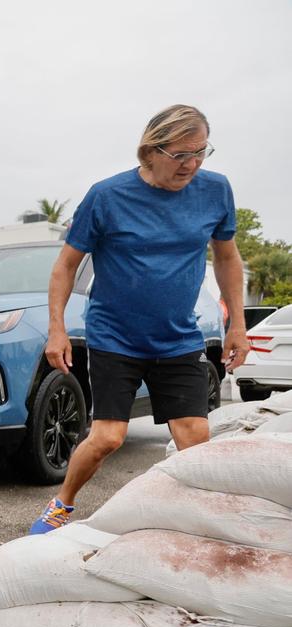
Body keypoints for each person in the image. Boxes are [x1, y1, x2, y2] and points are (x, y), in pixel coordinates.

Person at [32, 104, 249, 534]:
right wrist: (57, 329)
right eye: (181, 155)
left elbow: (227, 258)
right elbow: (65, 266)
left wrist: (236, 325)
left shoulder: (215, 191)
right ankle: (62, 504)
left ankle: (190, 524)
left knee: (194, 437)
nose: (192, 164)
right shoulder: (107, 196)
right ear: (150, 150)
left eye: (201, 152)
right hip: (115, 337)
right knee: (107, 438)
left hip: (178, 337)